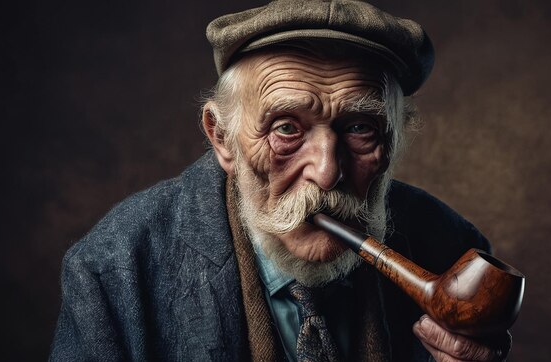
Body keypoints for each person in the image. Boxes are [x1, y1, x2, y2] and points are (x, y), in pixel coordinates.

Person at [50, 1, 512, 361]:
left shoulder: (453, 252)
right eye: (286, 128)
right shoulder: (115, 270)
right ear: (223, 137)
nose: (327, 171)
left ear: (393, 141)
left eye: (360, 128)